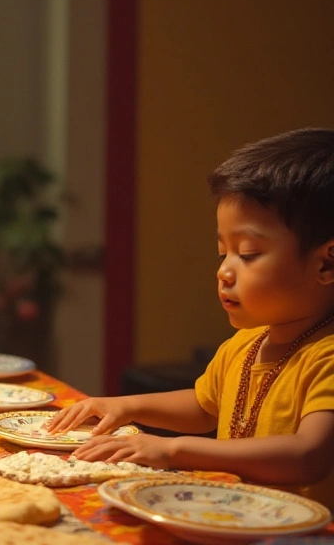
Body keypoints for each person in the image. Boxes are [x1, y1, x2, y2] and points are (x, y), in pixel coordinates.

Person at [48, 128, 334, 507]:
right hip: (237, 518)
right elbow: (204, 406)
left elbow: (306, 456)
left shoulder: (325, 356)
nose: (224, 272)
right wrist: (123, 406)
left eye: (247, 254)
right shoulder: (246, 344)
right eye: (223, 253)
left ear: (327, 262)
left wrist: (174, 451)